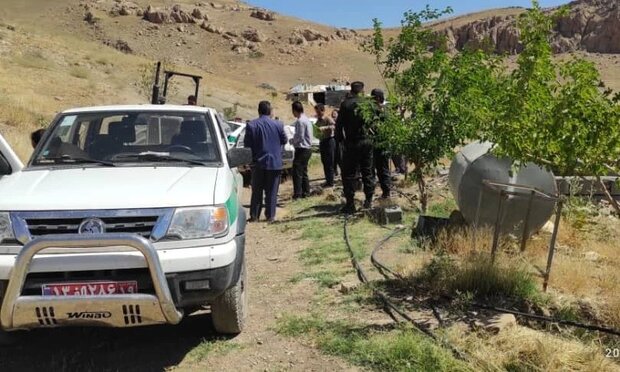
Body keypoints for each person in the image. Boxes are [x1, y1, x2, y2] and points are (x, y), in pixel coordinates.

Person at [244, 101, 288, 222]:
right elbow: (284, 140)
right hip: (275, 163)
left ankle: (254, 216)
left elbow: (247, 145)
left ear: (258, 111)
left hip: (258, 163)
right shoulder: (278, 125)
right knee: (272, 191)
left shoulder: (251, 125)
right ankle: (270, 216)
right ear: (270, 111)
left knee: (257, 191)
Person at [336, 81, 376, 214]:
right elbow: (374, 123)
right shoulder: (368, 104)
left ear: (351, 90)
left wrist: (340, 141)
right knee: (367, 172)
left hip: (351, 143)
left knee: (349, 174)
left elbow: (339, 125)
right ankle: (369, 200)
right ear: (362, 90)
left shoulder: (346, 104)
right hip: (366, 141)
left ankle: (350, 203)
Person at [370, 89, 391, 199]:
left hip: (381, 144)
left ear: (377, 98)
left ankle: (386, 192)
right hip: (376, 144)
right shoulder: (378, 110)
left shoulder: (383, 111)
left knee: (382, 169)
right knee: (374, 169)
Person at [290, 101, 314, 199]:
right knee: (303, 171)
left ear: (295, 110)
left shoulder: (300, 121)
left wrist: (292, 141)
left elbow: (299, 136)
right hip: (307, 149)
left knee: (297, 172)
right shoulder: (306, 119)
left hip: (302, 148)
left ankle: (298, 194)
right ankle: (306, 192)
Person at [315, 104, 336, 187]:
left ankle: (331, 182)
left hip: (329, 141)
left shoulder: (327, 118)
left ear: (322, 110)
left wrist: (324, 128)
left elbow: (333, 126)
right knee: (324, 162)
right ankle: (328, 180)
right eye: (316, 112)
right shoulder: (318, 121)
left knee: (330, 162)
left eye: (318, 111)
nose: (317, 113)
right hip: (322, 142)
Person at [331, 109, 342, 177]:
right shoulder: (331, 123)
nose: (333, 117)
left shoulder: (340, 124)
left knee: (340, 158)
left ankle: (343, 171)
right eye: (332, 116)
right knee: (333, 158)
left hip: (339, 143)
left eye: (334, 115)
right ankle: (335, 172)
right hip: (333, 142)